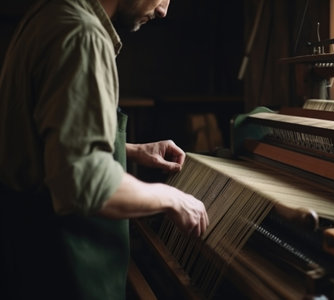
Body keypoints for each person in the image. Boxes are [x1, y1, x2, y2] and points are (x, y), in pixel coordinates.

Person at [0, 0, 209, 299]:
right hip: (61, 274)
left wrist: (129, 150)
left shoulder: (51, 13)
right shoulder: (83, 35)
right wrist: (173, 199)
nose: (163, 10)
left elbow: (45, 136)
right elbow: (87, 184)